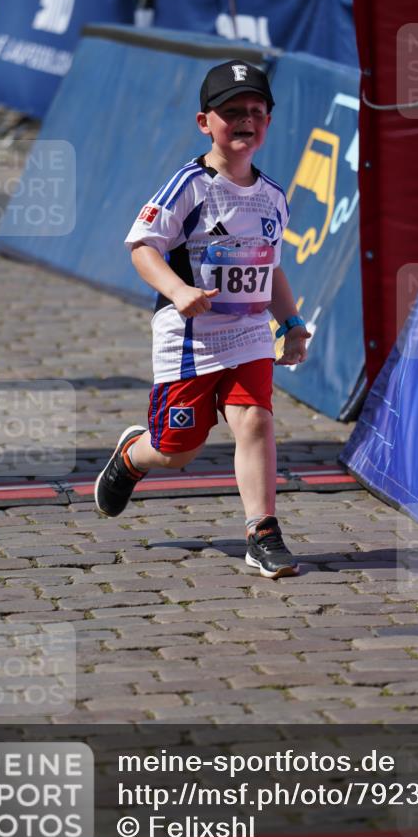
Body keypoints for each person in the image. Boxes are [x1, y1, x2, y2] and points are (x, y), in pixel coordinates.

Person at [94, 60, 310, 579]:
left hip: (249, 334)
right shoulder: (188, 186)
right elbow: (142, 246)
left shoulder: (273, 196)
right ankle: (131, 457)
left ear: (269, 123)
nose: (245, 121)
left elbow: (271, 267)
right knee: (177, 453)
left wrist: (292, 323)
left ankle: (263, 533)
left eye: (256, 112)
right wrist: (177, 289)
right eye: (231, 111)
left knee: (255, 420)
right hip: (190, 340)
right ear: (203, 122)